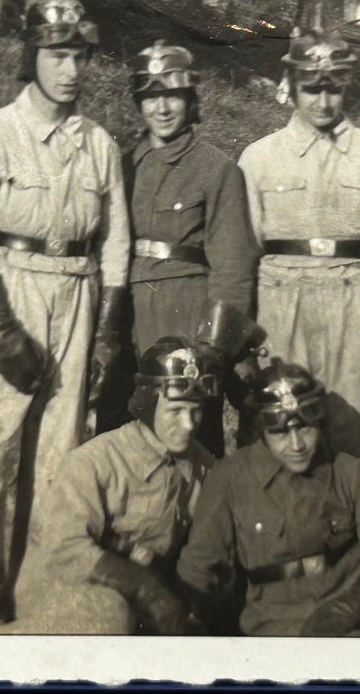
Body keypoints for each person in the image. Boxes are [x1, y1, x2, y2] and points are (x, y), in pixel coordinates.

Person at [0, 0, 131, 633]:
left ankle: (37, 599)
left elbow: (117, 242)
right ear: (32, 57)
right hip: (10, 287)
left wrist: (107, 333)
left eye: (80, 55)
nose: (70, 68)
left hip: (78, 289)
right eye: (56, 54)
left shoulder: (100, 145)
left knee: (60, 454)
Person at [237, 30, 360, 480]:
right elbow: (246, 254)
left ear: (346, 85)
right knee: (283, 420)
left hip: (357, 303)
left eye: (333, 87)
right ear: (290, 85)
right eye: (312, 87)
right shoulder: (258, 159)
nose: (323, 100)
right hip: (282, 307)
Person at [175, 360, 360, 636]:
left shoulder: (347, 471)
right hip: (280, 617)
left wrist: (351, 605)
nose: (297, 444)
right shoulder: (230, 479)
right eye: (281, 433)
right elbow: (200, 567)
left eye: (305, 428)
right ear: (261, 431)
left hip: (358, 596)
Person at [1, 337, 222, 635]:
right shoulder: (94, 462)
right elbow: (66, 550)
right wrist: (146, 590)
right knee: (110, 615)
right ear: (148, 403)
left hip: (142, 596)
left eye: (196, 411)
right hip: (64, 591)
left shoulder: (202, 466)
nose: (188, 424)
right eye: (175, 411)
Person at [122, 40, 260, 454]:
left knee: (191, 435)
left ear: (190, 99)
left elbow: (233, 268)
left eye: (173, 96)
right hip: (130, 313)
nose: (162, 109)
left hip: (185, 313)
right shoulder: (123, 164)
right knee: (128, 431)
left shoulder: (217, 168)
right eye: (151, 97)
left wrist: (212, 349)